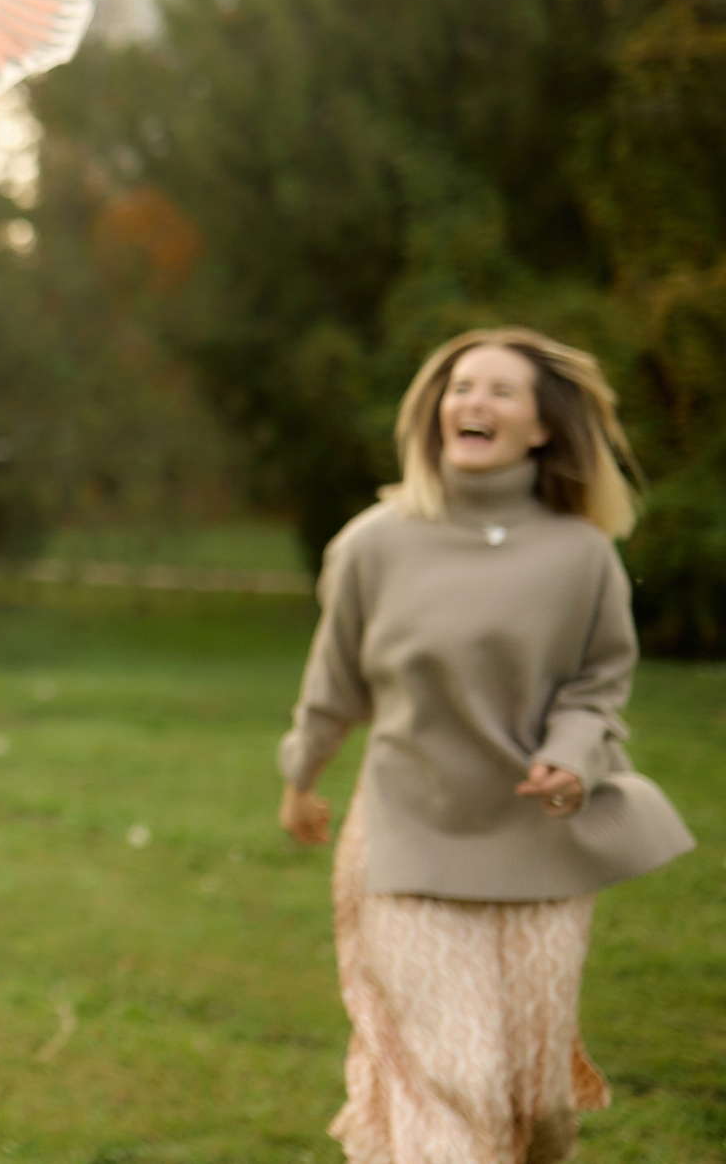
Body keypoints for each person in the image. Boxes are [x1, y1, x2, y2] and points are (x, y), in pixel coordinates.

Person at [276, 327, 694, 1164]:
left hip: (541, 846)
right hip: (407, 843)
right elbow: (335, 681)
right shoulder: (374, 543)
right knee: (452, 1081)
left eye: (501, 390)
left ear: (541, 427)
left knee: (535, 1104)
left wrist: (574, 755)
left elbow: (600, 678)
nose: (474, 402)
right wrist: (302, 777)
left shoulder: (582, 554)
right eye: (461, 386)